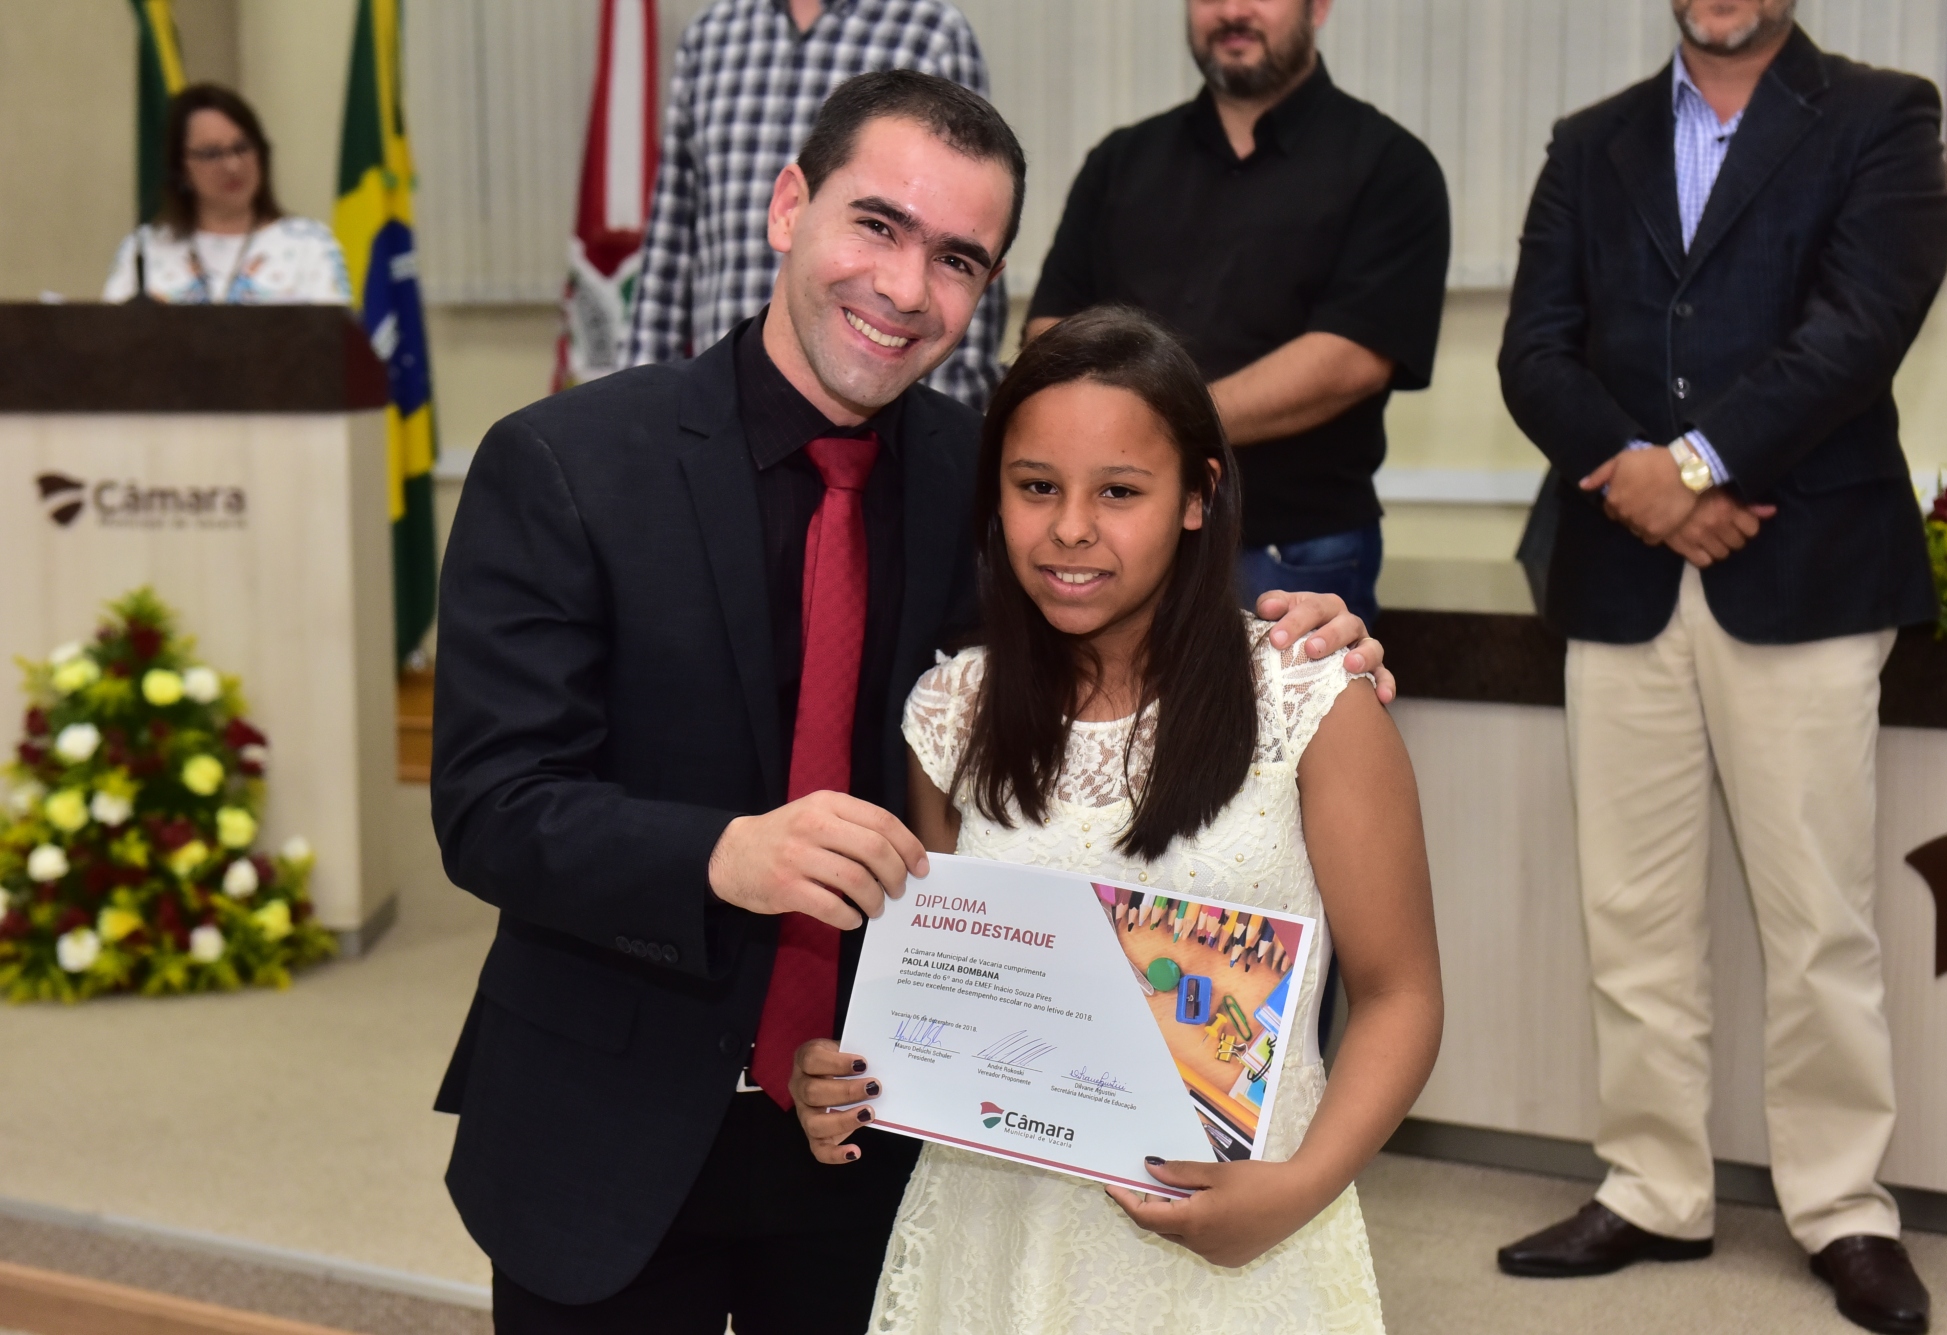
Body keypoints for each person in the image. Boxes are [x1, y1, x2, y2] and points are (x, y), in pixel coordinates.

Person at [430, 71, 1389, 1335]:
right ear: (788, 208)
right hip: (603, 1127)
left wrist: (1292, 637)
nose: (902, 287)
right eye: (875, 225)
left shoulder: (986, 478)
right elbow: (490, 808)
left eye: (955, 259)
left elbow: (1105, 629)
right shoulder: (565, 463)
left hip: (883, 1134)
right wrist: (723, 854)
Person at [788, 306, 1444, 1334]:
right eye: (1035, 486)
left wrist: (1298, 1187)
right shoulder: (951, 714)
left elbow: (1400, 993)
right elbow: (938, 987)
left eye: (1120, 491)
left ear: (1198, 496)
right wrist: (848, 1076)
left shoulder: (1309, 700)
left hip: (1242, 1232)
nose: (1070, 528)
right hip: (995, 1231)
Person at [1494, 4, 1947, 1332]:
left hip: (1805, 569)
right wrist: (1638, 483)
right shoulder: (1590, 141)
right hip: (1619, 575)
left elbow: (1860, 325)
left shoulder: (1881, 115)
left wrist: (1691, 468)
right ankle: (1652, 1186)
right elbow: (1533, 348)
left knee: (1818, 919)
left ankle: (1843, 1205)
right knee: (1630, 914)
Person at [1023, 0, 1450, 625]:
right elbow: (1050, 331)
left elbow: (1351, 359)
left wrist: (1153, 428)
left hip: (1289, 552)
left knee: (1294, 698)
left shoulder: (1392, 167)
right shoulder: (1120, 161)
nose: (1231, 11)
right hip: (1113, 539)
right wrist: (1131, 439)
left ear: (1318, 8)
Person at [623, 0, 1006, 408]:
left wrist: (940, 431)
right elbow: (672, 232)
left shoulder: (931, 31)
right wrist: (640, 406)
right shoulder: (712, 33)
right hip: (716, 406)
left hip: (886, 415)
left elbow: (968, 220)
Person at [103, 84, 349, 306]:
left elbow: (334, 337)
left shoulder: (310, 246)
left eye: (242, 148)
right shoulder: (144, 250)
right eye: (211, 154)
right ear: (181, 168)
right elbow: (111, 337)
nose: (232, 166)